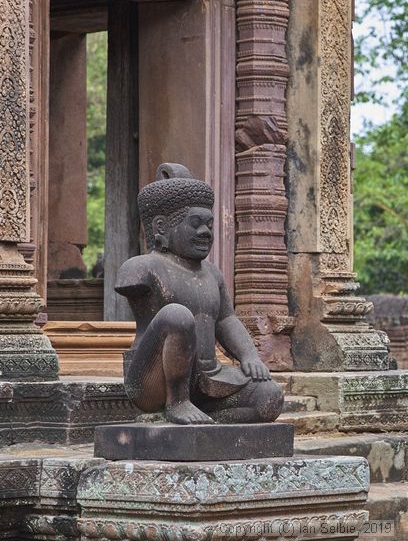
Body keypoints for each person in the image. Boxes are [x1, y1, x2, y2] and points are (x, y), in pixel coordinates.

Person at [116, 163, 284, 424]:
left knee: (269, 397)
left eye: (209, 224)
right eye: (195, 224)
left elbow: (226, 320)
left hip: (210, 380)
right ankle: (177, 403)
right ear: (161, 227)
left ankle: (207, 424)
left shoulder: (212, 274)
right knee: (176, 316)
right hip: (152, 381)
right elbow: (169, 321)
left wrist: (249, 355)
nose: (205, 232)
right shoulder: (141, 268)